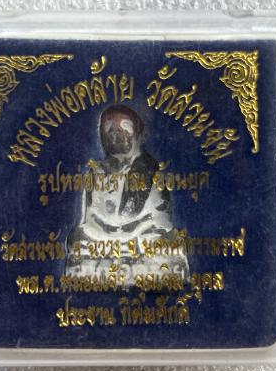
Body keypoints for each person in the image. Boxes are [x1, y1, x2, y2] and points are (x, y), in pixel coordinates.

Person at [65, 104, 189, 287]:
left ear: (137, 133)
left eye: (125, 127)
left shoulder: (150, 170)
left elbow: (160, 221)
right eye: (109, 128)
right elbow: (90, 220)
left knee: (167, 246)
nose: (116, 134)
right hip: (104, 241)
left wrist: (134, 236)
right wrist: (104, 235)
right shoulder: (95, 172)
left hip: (142, 238)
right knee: (78, 239)